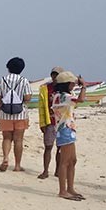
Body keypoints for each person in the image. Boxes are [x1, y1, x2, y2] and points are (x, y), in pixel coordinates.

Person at [52, 71, 86, 201]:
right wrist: (83, 86)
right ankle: (62, 190)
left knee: (72, 161)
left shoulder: (60, 95)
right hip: (64, 130)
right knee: (65, 162)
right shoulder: (62, 96)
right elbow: (81, 99)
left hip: (68, 129)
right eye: (72, 83)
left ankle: (70, 188)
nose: (73, 85)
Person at [0, 57, 32, 172]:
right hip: (20, 114)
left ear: (8, 67)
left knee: (6, 138)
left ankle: (5, 158)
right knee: (18, 140)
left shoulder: (2, 80)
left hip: (5, 114)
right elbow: (27, 97)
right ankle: (17, 165)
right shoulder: (24, 81)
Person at [37, 67, 63, 179]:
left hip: (62, 122)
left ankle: (58, 170)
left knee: (60, 148)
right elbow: (41, 107)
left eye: (57, 75)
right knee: (48, 146)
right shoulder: (46, 88)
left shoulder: (64, 89)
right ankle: (46, 170)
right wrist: (42, 123)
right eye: (53, 74)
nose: (55, 77)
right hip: (50, 121)